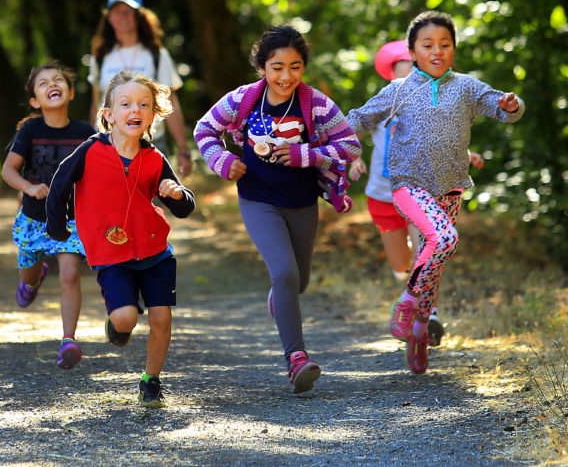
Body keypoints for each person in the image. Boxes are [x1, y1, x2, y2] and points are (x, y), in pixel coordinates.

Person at [346, 11, 524, 375]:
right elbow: (359, 119)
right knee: (443, 240)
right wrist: (326, 142)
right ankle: (406, 302)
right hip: (409, 184)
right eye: (428, 45)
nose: (437, 51)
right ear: (412, 52)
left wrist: (512, 106)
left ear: (454, 49)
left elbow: (503, 109)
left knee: (436, 267)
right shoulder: (399, 90)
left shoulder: (467, 87)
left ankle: (419, 334)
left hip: (451, 188)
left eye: (445, 44)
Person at [193, 25, 360, 393]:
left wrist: (308, 154)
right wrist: (221, 159)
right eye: (277, 67)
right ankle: (297, 358)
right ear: (263, 67)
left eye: (295, 67)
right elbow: (204, 130)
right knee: (283, 273)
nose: (286, 76)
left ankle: (280, 299)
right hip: (257, 198)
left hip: (301, 201)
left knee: (298, 282)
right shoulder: (243, 100)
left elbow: (350, 146)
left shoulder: (316, 104)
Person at [47, 71, 195, 408]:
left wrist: (177, 194)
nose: (135, 110)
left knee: (161, 318)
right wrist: (57, 227)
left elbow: (182, 206)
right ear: (109, 115)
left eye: (144, 104)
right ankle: (118, 322)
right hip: (111, 253)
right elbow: (59, 186)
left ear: (152, 116)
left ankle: (151, 380)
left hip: (156, 251)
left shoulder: (154, 159)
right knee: (125, 318)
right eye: (125, 103)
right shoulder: (89, 152)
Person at [348, 40, 484, 347]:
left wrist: (467, 154)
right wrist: (354, 159)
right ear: (393, 76)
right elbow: (355, 131)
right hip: (382, 195)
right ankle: (407, 281)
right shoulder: (388, 100)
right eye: (404, 71)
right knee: (400, 263)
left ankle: (427, 314)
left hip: (420, 191)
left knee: (430, 245)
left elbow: (443, 139)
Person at [0, 60, 93, 369]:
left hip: (70, 219)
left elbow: (97, 173)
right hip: (34, 218)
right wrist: (29, 186)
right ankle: (32, 280)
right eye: (43, 83)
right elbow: (8, 171)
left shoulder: (85, 133)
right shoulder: (30, 129)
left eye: (58, 80)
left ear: (69, 93)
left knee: (69, 274)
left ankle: (68, 340)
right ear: (34, 101)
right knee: (28, 272)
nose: (52, 84)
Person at [88, 0, 192, 178]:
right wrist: (90, 143)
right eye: (117, 12)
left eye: (128, 11)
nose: (123, 17)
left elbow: (171, 103)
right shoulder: (100, 57)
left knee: (152, 205)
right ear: (109, 17)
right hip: (108, 144)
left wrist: (183, 149)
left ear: (139, 16)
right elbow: (96, 102)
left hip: (151, 141)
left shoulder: (156, 55)